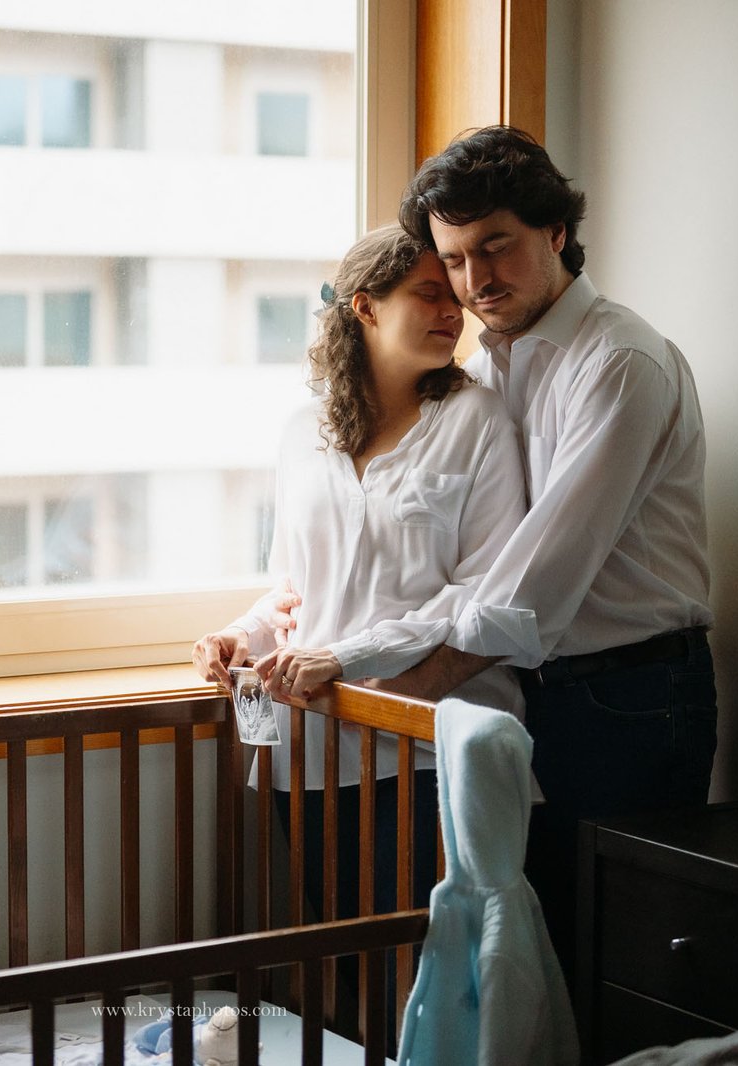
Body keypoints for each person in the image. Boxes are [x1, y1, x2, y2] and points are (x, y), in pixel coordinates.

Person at [388, 125, 717, 983]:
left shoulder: (619, 362)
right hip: (527, 690)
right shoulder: (491, 368)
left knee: (607, 961)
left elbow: (541, 576)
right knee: (528, 959)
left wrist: (407, 692)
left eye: (494, 247)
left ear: (557, 231)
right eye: (454, 260)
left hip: (632, 698)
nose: (475, 281)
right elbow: (460, 547)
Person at [191, 224, 529, 952]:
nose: (453, 312)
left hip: (430, 741)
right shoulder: (300, 433)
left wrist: (349, 655)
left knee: (433, 961)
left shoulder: (476, 421)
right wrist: (238, 636)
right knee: (349, 955)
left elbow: (481, 591)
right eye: (429, 294)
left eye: (455, 299)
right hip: (312, 743)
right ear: (366, 306)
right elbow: (292, 587)